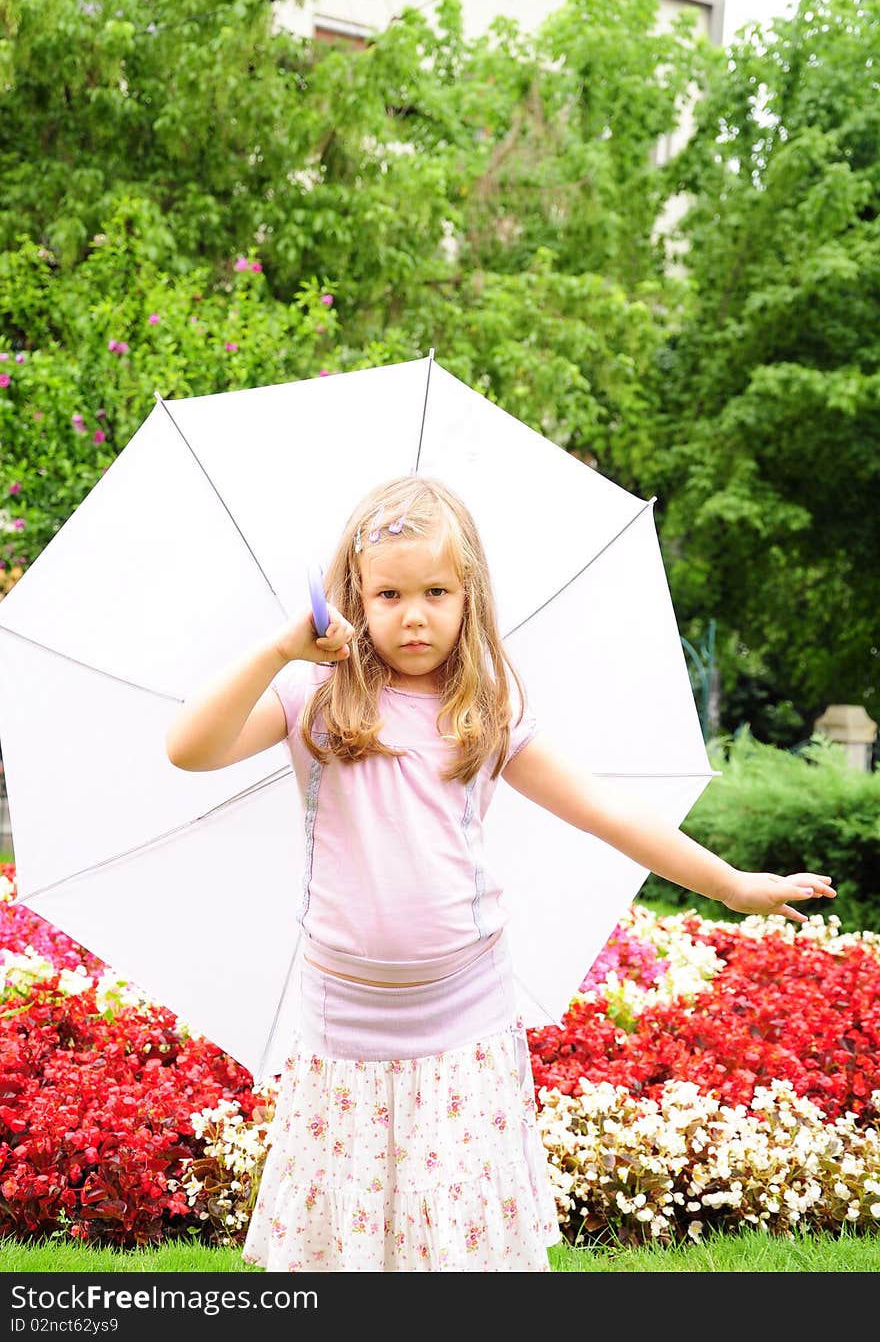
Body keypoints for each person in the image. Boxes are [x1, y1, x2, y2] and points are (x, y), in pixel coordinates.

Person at [164, 473, 835, 1273]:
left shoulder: (484, 708)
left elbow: (603, 809)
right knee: (351, 1241)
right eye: (388, 594)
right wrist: (280, 646)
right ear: (352, 598)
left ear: (469, 595)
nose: (414, 613)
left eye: (437, 590)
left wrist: (729, 882)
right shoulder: (312, 695)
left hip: (462, 1021)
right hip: (343, 1021)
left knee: (455, 1240)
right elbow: (189, 747)